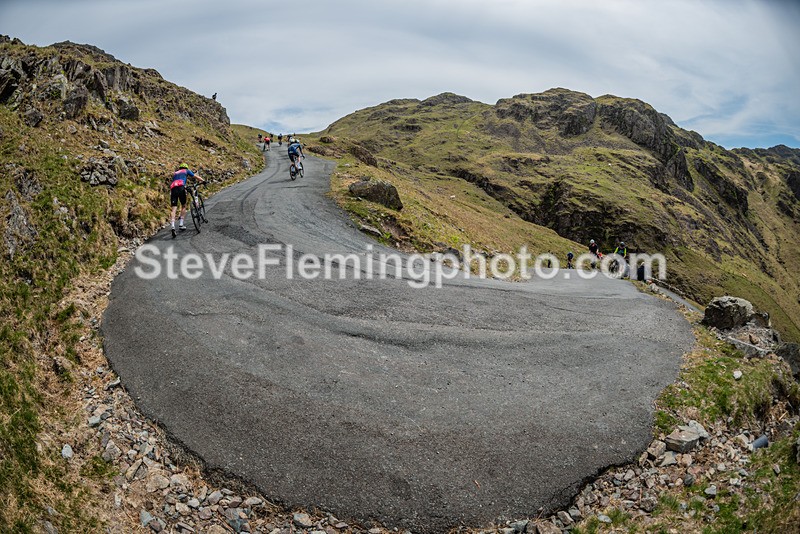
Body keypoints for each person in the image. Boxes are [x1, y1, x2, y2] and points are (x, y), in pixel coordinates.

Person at [168, 163, 205, 238]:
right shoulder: (186, 171)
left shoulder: (175, 173)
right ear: (186, 167)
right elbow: (195, 176)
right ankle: (181, 224)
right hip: (181, 187)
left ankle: (173, 226)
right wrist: (203, 181)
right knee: (183, 205)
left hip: (173, 189)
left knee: (174, 208)